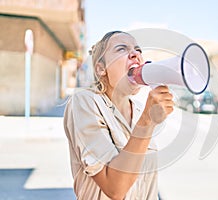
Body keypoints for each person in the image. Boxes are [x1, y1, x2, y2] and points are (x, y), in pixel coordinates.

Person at [63, 30, 174, 200]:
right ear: (101, 69)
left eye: (138, 50)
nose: (135, 54)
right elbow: (115, 188)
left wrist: (145, 119)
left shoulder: (138, 111)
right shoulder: (85, 102)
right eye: (122, 49)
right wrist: (147, 123)